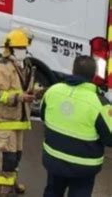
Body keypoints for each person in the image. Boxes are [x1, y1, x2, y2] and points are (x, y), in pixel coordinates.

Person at [41, 56, 112, 197]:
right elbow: (110, 139)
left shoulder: (52, 91)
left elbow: (43, 116)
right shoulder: (100, 104)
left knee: (52, 192)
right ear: (94, 75)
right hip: (84, 167)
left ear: (73, 70)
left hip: (54, 159)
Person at [0, 29, 36, 197]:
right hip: (5, 121)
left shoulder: (25, 65)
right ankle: (4, 191)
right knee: (5, 159)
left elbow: (23, 87)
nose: (24, 50)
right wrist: (19, 98)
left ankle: (13, 183)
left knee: (15, 156)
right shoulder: (2, 67)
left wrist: (36, 92)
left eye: (25, 47)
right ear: (10, 49)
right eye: (20, 47)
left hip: (19, 121)